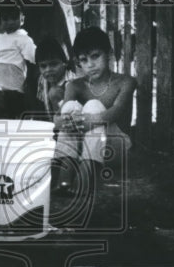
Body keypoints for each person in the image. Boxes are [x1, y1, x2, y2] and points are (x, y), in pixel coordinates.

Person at [55, 27, 136, 193]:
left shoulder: (125, 82)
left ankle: (86, 176)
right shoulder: (75, 85)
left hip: (115, 148)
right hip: (82, 148)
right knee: (69, 108)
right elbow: (57, 120)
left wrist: (85, 122)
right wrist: (67, 121)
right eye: (84, 60)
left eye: (95, 56)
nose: (90, 65)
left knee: (93, 105)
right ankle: (64, 179)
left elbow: (115, 112)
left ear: (109, 53)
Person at [0, 3, 36, 118]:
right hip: (3, 82)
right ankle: (13, 124)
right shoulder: (2, 38)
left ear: (22, 19)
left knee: (18, 105)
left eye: (14, 18)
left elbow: (33, 57)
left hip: (14, 77)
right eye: (5, 19)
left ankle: (21, 124)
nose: (10, 22)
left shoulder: (24, 39)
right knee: (9, 106)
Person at [33, 36, 74, 118]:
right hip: (51, 122)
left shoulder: (72, 80)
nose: (48, 70)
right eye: (43, 66)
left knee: (54, 92)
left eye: (53, 64)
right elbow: (42, 103)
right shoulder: (42, 80)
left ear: (64, 63)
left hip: (71, 121)